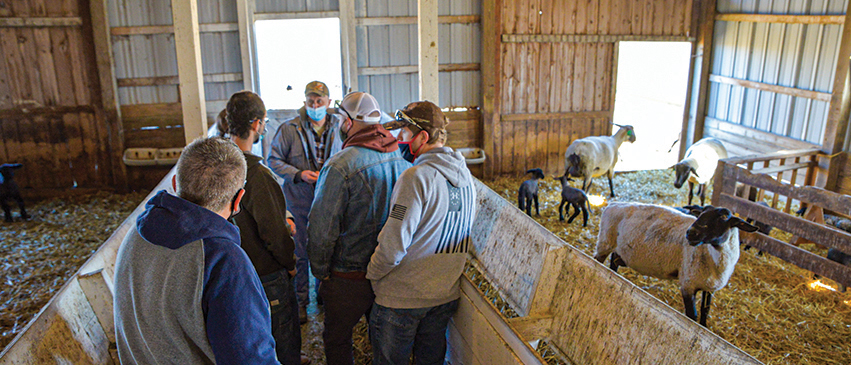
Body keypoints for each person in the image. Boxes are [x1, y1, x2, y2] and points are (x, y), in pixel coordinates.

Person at [113, 137, 279, 364]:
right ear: (239, 199)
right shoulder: (223, 260)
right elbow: (250, 358)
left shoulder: (137, 233)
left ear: (174, 183)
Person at [367, 101, 477, 365]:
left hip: (402, 298)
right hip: (444, 294)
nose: (397, 138)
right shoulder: (467, 178)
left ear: (422, 137)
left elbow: (394, 244)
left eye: (403, 132)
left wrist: (372, 274)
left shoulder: (415, 177)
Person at [307, 91, 411, 365]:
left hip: (347, 275)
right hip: (389, 270)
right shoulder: (401, 160)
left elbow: (322, 229)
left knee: (338, 338)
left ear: (350, 122)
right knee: (381, 339)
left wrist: (320, 273)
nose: (339, 124)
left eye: (341, 118)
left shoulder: (341, 165)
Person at [227, 91, 304, 365]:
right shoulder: (256, 173)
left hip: (231, 265)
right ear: (257, 124)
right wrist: (291, 262)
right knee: (282, 333)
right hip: (265, 271)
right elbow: (273, 233)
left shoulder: (218, 165)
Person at [268, 81, 344, 321]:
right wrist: (298, 174)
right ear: (304, 102)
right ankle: (301, 301)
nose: (315, 105)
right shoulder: (289, 129)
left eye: (319, 101)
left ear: (328, 102)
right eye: (310, 101)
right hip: (299, 200)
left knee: (329, 249)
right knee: (299, 253)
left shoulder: (341, 126)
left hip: (329, 200)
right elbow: (273, 160)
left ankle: (325, 295)